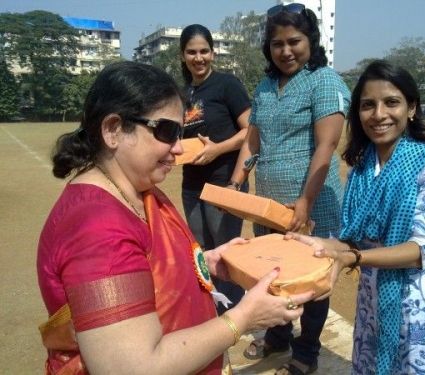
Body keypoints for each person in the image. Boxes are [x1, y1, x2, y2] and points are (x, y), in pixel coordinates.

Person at [36, 61, 315, 375]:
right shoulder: (96, 230)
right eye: (167, 131)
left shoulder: (136, 189)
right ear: (113, 130)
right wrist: (243, 319)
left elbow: (147, 266)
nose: (180, 148)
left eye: (180, 133)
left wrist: (202, 264)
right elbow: (133, 368)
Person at [288, 60, 425, 374]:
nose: (378, 115)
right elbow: (353, 237)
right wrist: (315, 242)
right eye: (367, 105)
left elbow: (421, 251)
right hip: (372, 307)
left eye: (391, 102)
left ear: (412, 108)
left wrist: (353, 258)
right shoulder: (363, 167)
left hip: (419, 312)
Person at [228, 4, 351, 374]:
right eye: (277, 43)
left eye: (294, 41)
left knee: (310, 280)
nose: (286, 51)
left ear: (310, 41)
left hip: (312, 206)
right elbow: (253, 140)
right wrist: (236, 184)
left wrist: (305, 202)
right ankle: (278, 337)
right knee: (273, 273)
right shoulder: (265, 87)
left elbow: (326, 148)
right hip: (268, 206)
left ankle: (307, 351)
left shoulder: (324, 80)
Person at [179, 24, 251, 314]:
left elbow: (250, 132)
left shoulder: (227, 85)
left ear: (213, 52)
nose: (199, 58)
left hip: (224, 182)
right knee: (204, 252)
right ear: (182, 56)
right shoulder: (183, 93)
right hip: (192, 185)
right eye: (192, 52)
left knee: (226, 251)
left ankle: (235, 315)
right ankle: (214, 308)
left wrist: (216, 149)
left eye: (204, 51)